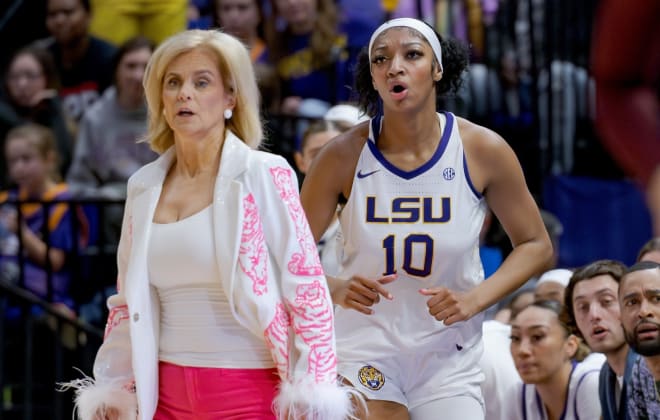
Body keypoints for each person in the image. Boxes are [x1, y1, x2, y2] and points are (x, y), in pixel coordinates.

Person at [62, 29, 357, 420]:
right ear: (160, 100)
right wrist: (113, 388)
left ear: (231, 97)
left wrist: (313, 390)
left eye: (202, 82)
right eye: (173, 82)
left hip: (251, 392)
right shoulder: (143, 185)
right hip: (162, 395)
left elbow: (307, 287)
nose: (185, 93)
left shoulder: (264, 172)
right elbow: (126, 302)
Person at [300, 17, 553, 418]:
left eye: (412, 54)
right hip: (365, 349)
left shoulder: (482, 149)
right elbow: (284, 255)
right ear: (374, 77)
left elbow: (536, 245)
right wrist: (332, 287)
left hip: (447, 358)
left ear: (437, 69)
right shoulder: (341, 155)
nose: (394, 66)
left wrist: (475, 299)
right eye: (381, 59)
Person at [66, 36, 157, 245]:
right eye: (130, 66)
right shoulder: (95, 118)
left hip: (158, 208)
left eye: (146, 66)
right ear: (116, 70)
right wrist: (109, 197)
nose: (138, 75)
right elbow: (79, 181)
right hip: (107, 213)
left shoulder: (170, 115)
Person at [0, 123, 86, 314]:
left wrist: (22, 233)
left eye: (26, 159)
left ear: (49, 159)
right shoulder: (7, 201)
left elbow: (55, 261)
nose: (19, 168)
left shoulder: (62, 204)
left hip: (44, 294)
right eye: (12, 161)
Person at [564, 259, 646, 420]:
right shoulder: (605, 375)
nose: (594, 315)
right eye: (583, 307)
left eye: (606, 302)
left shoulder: (651, 366)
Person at [505, 300, 602, 419]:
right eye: (515, 338)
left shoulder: (591, 385)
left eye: (537, 336)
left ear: (570, 345)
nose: (522, 350)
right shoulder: (517, 395)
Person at [0, 45, 74, 187]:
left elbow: (63, 161)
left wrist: (55, 110)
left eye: (30, 76)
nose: (22, 84)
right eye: (14, 77)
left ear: (47, 77)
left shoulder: (54, 112)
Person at [619, 261, 660, 417]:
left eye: (657, 298)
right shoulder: (640, 370)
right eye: (632, 302)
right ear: (619, 317)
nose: (644, 312)